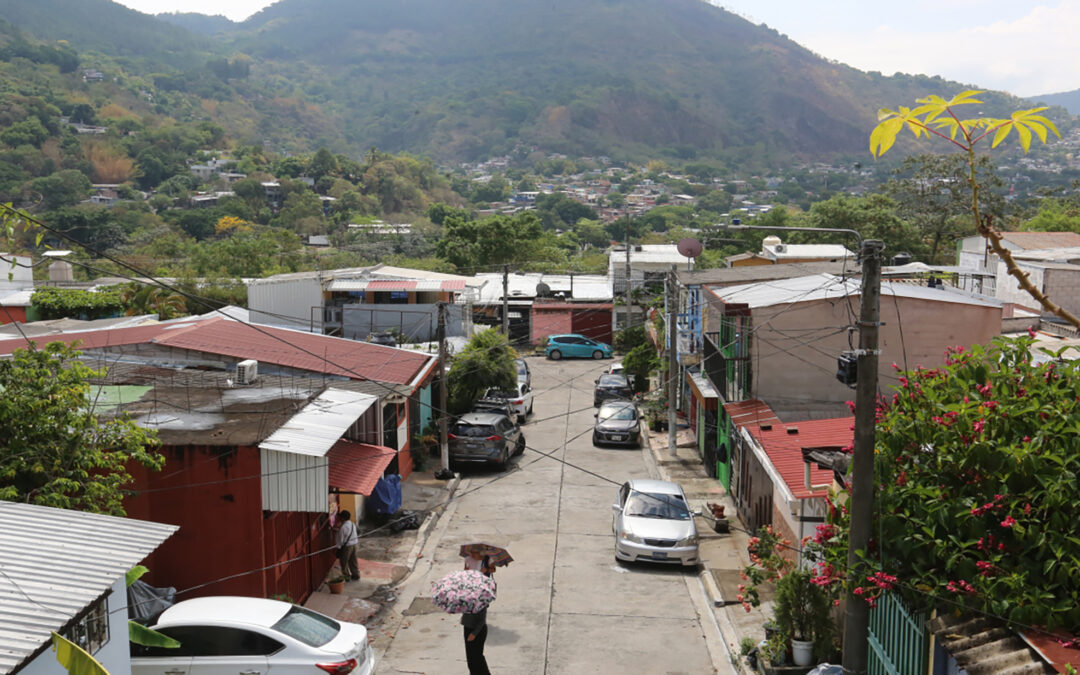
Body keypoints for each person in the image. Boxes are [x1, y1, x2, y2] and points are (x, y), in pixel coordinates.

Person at [461, 608, 490, 675]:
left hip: (478, 631)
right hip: (468, 629)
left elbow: (482, 621)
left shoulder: (480, 603)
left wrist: (474, 634)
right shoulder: (467, 603)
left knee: (477, 657)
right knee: (470, 658)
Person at [336, 510, 360, 581]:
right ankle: (356, 575)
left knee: (344, 562)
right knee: (353, 561)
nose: (339, 518)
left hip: (347, 547)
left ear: (343, 518)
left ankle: (347, 577)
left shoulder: (343, 527)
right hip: (355, 545)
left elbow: (340, 540)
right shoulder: (352, 524)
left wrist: (338, 549)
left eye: (340, 517)